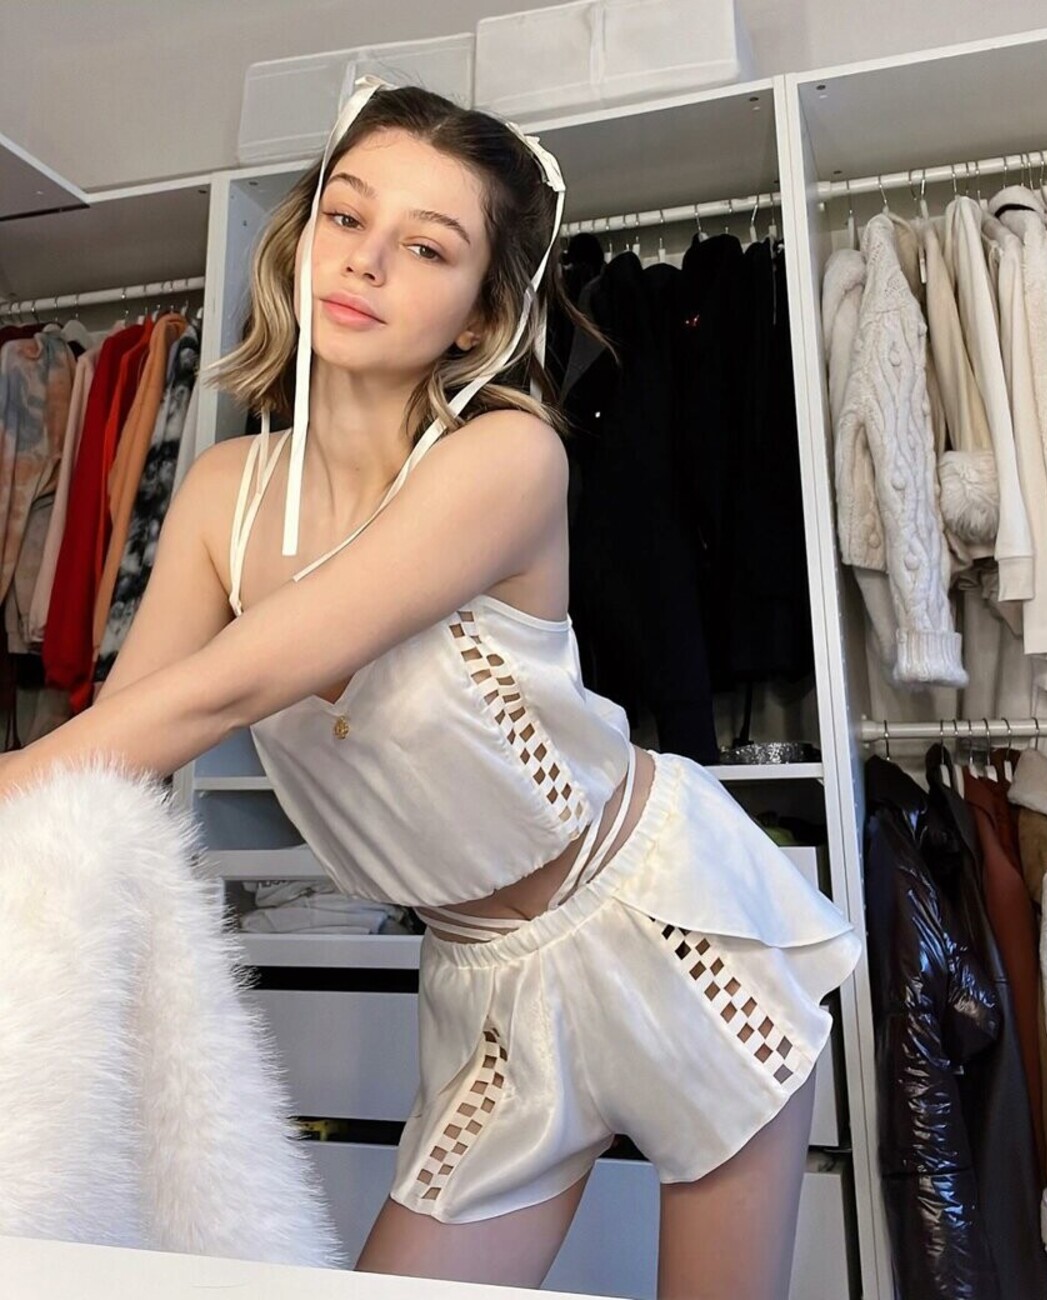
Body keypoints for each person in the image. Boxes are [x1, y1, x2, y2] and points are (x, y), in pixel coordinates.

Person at [0, 78, 861, 1299]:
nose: (366, 261)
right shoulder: (222, 496)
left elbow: (235, 684)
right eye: (348, 217)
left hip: (668, 926)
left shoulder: (508, 457)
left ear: (480, 315)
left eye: (427, 247)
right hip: (484, 989)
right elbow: (120, 756)